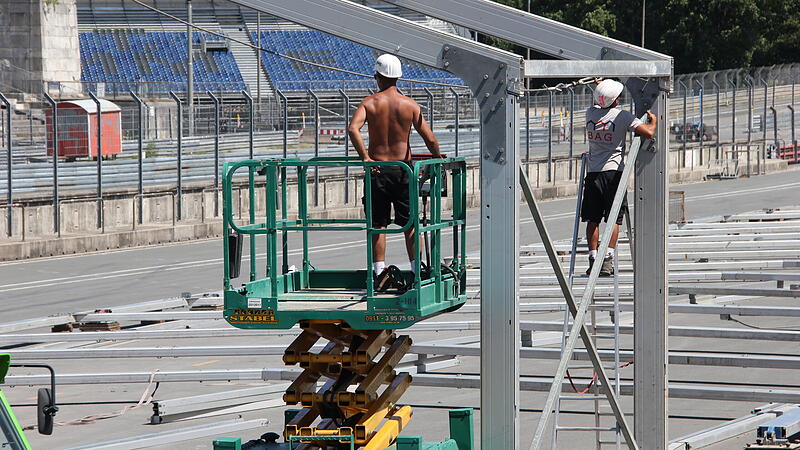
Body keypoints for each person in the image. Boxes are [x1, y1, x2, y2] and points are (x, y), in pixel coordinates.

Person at [347, 54, 442, 284]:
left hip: (377, 170)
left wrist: (366, 158)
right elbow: (430, 139)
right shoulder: (410, 105)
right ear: (397, 78)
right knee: (410, 224)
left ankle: (379, 272)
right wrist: (437, 159)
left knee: (378, 224)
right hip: (403, 171)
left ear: (377, 77)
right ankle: (416, 268)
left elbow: (353, 129)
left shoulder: (369, 103)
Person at [582, 79, 656, 276]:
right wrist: (654, 122)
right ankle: (607, 259)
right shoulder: (622, 116)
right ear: (616, 100)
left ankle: (592, 257)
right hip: (614, 173)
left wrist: (601, 85)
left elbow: (601, 102)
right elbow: (648, 133)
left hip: (593, 173)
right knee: (613, 218)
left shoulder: (590, 113)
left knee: (593, 219)